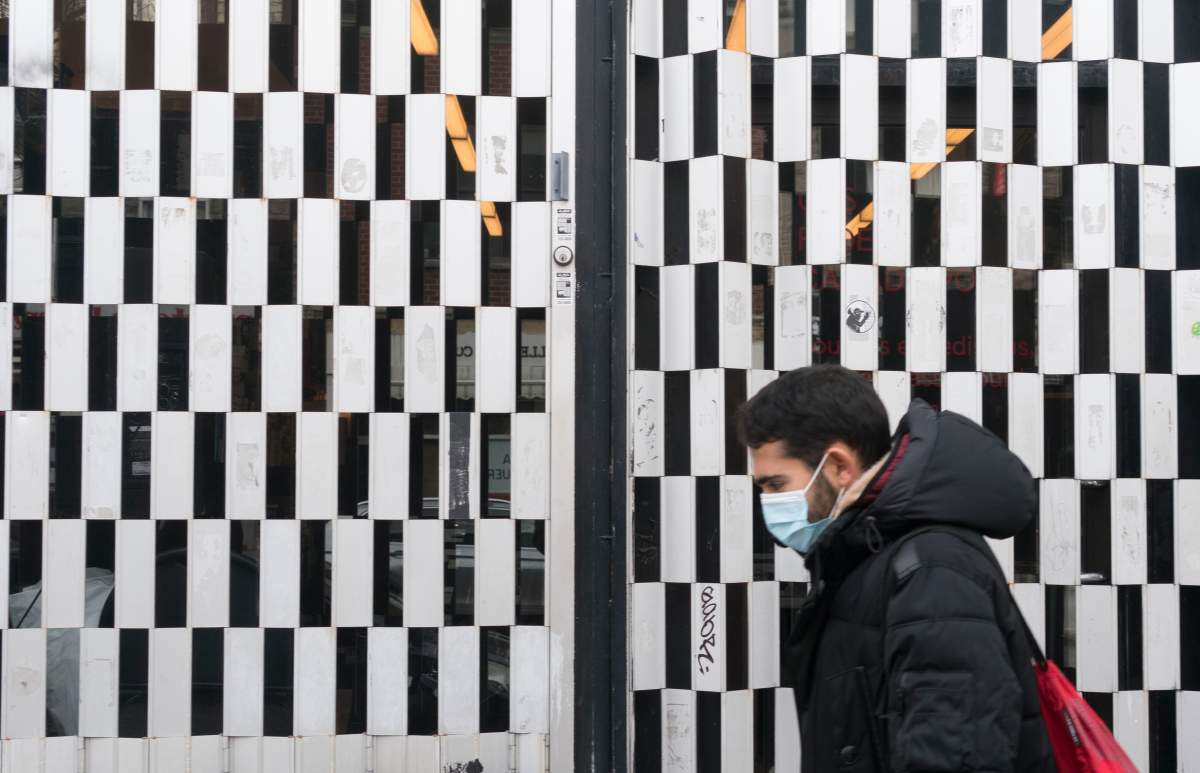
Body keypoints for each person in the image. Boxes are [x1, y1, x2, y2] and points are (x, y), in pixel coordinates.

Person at [736, 365, 1054, 772]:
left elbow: (957, 756)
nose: (767, 501)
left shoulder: (932, 570)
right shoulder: (867, 557)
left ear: (838, 466)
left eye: (776, 485)